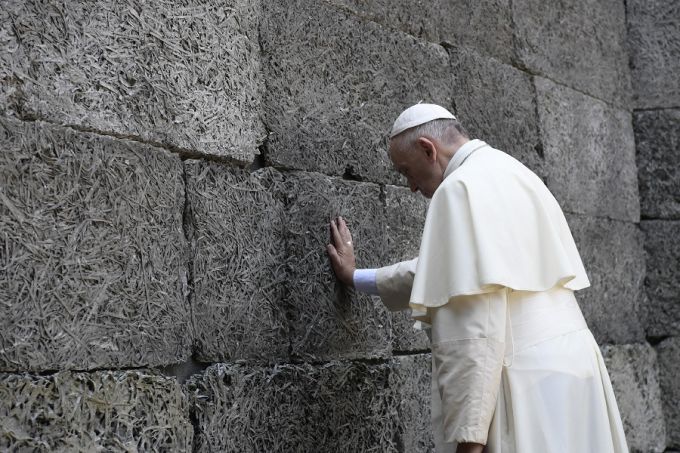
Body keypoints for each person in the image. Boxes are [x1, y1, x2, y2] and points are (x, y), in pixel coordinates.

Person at [327, 104, 628, 453]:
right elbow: (448, 273)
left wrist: (470, 436)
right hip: (577, 367)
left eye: (407, 171)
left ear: (428, 149)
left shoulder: (457, 189)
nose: (410, 187)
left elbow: (474, 325)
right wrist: (355, 277)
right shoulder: (515, 171)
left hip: (523, 380)